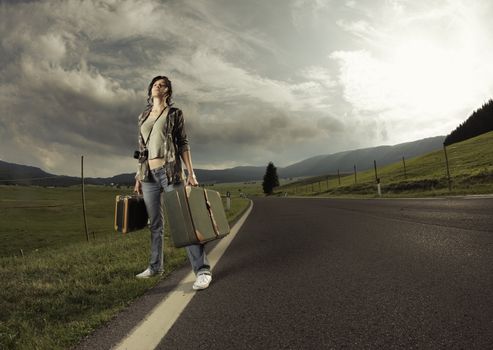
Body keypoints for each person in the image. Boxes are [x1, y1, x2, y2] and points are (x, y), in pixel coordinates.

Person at [133, 75, 212, 290]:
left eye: (162, 85)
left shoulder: (175, 114)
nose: (157, 87)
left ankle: (202, 270)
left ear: (168, 91)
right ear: (150, 90)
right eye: (155, 84)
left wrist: (191, 173)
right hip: (148, 175)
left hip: (170, 173)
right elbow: (142, 150)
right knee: (155, 224)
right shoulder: (143, 116)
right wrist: (138, 176)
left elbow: (183, 143)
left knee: (183, 221)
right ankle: (155, 266)